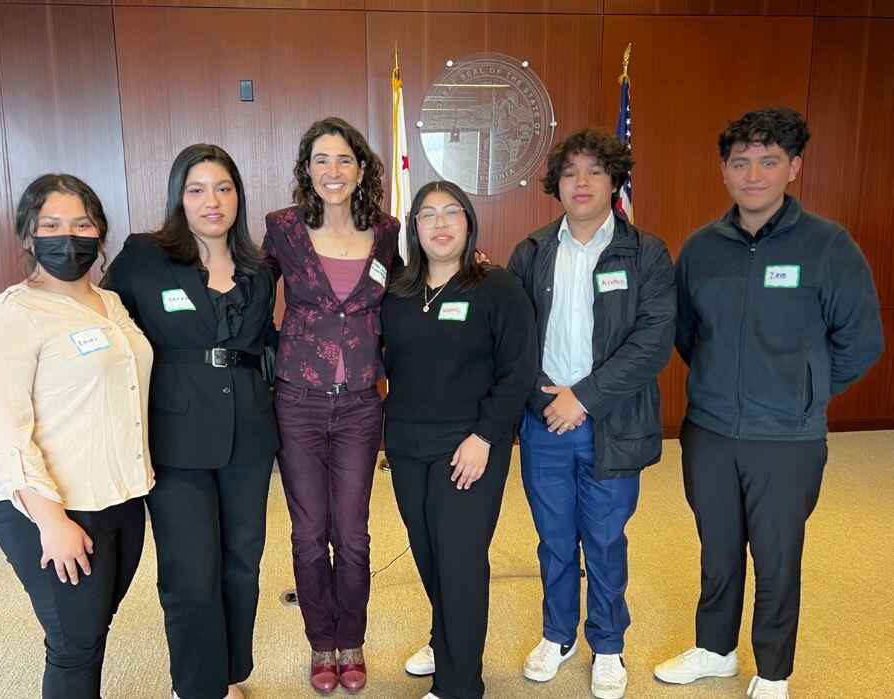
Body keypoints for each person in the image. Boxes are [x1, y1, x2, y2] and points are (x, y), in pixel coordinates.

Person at [655, 107, 883, 699]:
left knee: (778, 558)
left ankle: (773, 670)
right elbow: (685, 331)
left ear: (793, 168)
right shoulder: (702, 248)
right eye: (741, 162)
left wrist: (804, 393)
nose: (753, 174)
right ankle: (715, 649)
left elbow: (861, 340)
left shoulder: (829, 245)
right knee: (718, 548)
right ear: (724, 173)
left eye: (769, 160)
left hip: (788, 437)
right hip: (709, 429)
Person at [0, 174, 153, 699]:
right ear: (28, 235)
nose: (67, 237)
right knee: (73, 647)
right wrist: (52, 522)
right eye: (51, 225)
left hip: (119, 499)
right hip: (53, 512)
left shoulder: (111, 305)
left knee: (93, 632)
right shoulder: (4, 318)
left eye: (81, 224)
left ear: (99, 234)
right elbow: (4, 437)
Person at [104, 144, 279, 699]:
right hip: (176, 436)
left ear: (238, 197)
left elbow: (263, 345)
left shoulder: (259, 266)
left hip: (249, 433)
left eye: (223, 188)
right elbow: (105, 324)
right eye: (197, 189)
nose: (212, 201)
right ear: (179, 197)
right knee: (189, 571)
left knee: (241, 562)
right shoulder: (144, 255)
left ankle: (226, 675)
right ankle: (196, 687)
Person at [507, 128, 676, 699]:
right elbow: (512, 339)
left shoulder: (645, 252)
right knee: (554, 539)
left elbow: (653, 342)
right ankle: (559, 635)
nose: (582, 182)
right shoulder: (531, 252)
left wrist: (584, 397)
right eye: (571, 172)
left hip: (613, 420)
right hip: (543, 418)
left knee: (604, 540)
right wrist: (544, 397)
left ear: (614, 182)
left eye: (595, 172)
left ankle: (607, 642)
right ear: (556, 184)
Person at [382, 180, 538, 699]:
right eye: (428, 215)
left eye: (452, 213)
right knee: (427, 552)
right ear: (414, 228)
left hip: (469, 444)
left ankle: (459, 684)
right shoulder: (398, 290)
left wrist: (485, 436)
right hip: (405, 443)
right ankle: (445, 639)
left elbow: (518, 370)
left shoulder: (497, 287)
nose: (441, 224)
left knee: (460, 557)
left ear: (469, 223)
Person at [262, 116, 400, 695]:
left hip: (362, 407)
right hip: (298, 401)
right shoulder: (285, 229)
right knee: (306, 532)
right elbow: (245, 293)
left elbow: (416, 291)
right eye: (321, 159)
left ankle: (354, 642)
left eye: (344, 159)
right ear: (307, 169)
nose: (333, 170)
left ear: (362, 168)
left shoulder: (388, 231)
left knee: (354, 533)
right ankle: (322, 643)